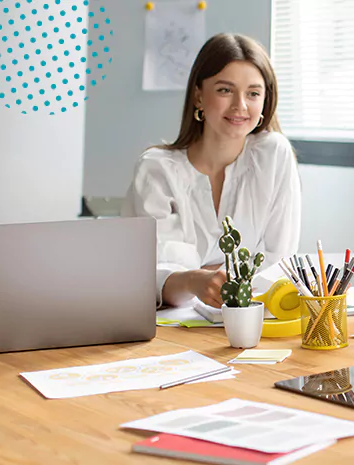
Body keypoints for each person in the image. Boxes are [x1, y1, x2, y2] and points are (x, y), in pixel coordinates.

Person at [123, 33, 301, 308]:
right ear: (198, 96)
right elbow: (146, 277)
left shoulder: (274, 154)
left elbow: (280, 261)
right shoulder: (156, 169)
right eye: (225, 90)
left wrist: (186, 278)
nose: (240, 106)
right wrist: (193, 282)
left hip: (254, 318)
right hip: (170, 329)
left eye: (253, 93)